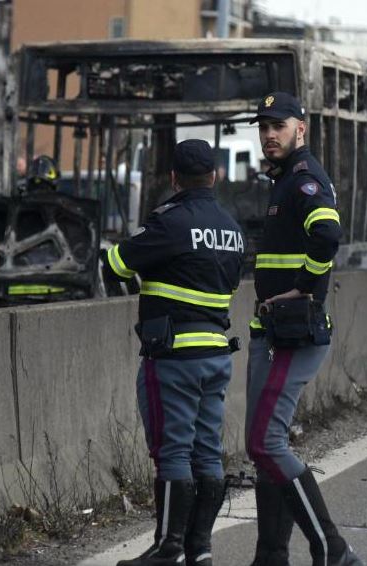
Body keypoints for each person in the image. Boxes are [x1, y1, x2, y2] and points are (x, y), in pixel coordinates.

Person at [104, 140, 244, 566]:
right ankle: (199, 548)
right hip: (217, 355)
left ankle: (168, 549)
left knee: (173, 452)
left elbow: (114, 264)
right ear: (215, 177)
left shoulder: (169, 223)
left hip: (173, 357)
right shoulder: (231, 228)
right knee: (206, 451)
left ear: (173, 179)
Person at [246, 91, 362, 566]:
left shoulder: (303, 178)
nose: (270, 134)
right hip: (274, 331)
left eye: (279, 125)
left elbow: (329, 234)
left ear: (301, 128)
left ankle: (331, 548)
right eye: (263, 126)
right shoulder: (283, 179)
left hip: (292, 333)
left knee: (264, 443)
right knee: (264, 446)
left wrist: (305, 287)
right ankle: (271, 555)